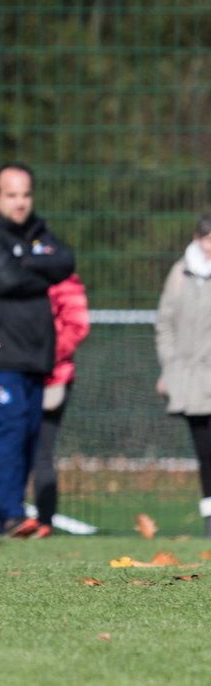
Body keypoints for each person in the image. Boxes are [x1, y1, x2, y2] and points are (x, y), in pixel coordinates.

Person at [0, 164, 74, 538]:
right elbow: (5, 279)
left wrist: (23, 257)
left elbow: (65, 262)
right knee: (8, 433)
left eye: (25, 194)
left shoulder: (37, 231)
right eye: (12, 195)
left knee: (27, 436)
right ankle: (10, 515)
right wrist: (35, 264)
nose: (21, 202)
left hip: (34, 353)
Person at [155, 213, 211, 538]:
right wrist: (170, 368)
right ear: (197, 239)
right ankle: (209, 518)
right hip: (190, 382)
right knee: (205, 453)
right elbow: (165, 324)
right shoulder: (179, 272)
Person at [26, 273, 89, 538]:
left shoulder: (64, 280)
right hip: (17, 375)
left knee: (42, 451)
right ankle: (4, 518)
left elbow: (77, 326)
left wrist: (43, 355)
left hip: (53, 377)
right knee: (9, 449)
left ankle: (44, 521)